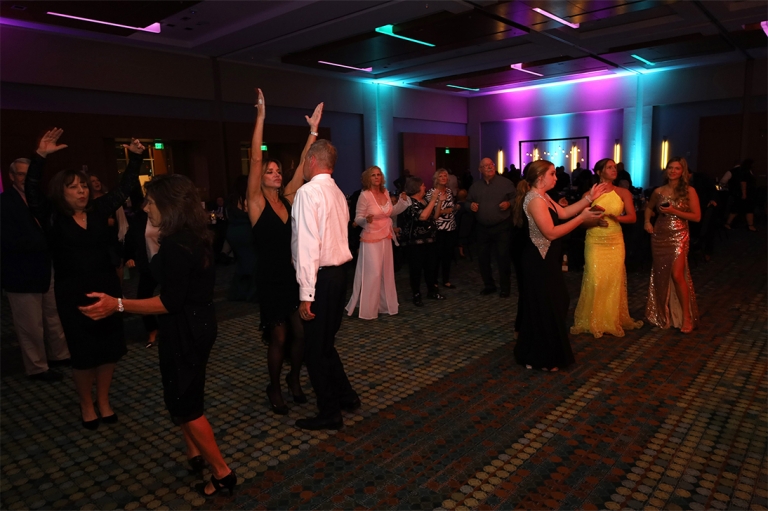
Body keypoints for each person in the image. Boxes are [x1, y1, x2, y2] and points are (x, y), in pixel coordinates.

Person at [80, 174, 237, 498]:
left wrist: (117, 304)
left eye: (150, 201)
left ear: (168, 205)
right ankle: (194, 453)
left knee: (187, 404)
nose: (144, 207)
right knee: (183, 394)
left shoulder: (179, 245)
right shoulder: (192, 235)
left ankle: (222, 473)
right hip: (196, 324)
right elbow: (160, 274)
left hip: (185, 329)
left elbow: (169, 301)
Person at [25, 128, 140, 429]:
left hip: (107, 288)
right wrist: (40, 156)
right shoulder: (52, 217)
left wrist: (135, 158)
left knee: (109, 350)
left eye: (84, 186)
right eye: (74, 187)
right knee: (84, 353)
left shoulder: (99, 210)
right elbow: (32, 191)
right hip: (73, 293)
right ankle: (86, 403)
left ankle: (103, 400)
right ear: (61, 192)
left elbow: (125, 188)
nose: (82, 191)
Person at [248, 89, 321, 414]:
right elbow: (255, 158)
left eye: (278, 171)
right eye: (270, 171)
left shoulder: (289, 198)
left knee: (300, 333)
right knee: (278, 337)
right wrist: (261, 117)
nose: (276, 174)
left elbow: (304, 167)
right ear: (261, 178)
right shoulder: (255, 203)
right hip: (269, 279)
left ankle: (293, 378)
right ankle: (274, 387)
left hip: (292, 277)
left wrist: (313, 132)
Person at [291, 138, 360, 431]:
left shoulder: (308, 192)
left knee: (315, 351)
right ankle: (346, 395)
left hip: (320, 280)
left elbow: (308, 246)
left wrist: (306, 294)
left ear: (312, 161)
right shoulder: (338, 193)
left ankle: (330, 412)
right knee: (326, 343)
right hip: (339, 276)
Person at [512, 160, 607, 371]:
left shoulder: (544, 196)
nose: (556, 178)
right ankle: (539, 357)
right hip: (537, 261)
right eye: (552, 174)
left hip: (546, 259)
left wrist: (589, 198)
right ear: (540, 178)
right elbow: (551, 233)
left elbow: (564, 213)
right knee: (547, 306)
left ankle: (533, 352)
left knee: (554, 303)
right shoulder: (535, 200)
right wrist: (581, 218)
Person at [1, 157, 71, 381]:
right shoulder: (4, 203)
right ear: (12, 177)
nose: (25, 178)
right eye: (21, 174)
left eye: (28, 174)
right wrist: (44, 242)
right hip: (20, 272)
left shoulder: (41, 199)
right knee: (30, 325)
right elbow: (6, 240)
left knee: (53, 316)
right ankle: (37, 367)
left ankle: (60, 355)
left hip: (47, 267)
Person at [570, 158, 644, 338]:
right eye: (609, 167)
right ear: (599, 172)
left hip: (615, 240)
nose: (613, 169)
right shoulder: (589, 194)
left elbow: (633, 217)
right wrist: (595, 221)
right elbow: (580, 222)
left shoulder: (623, 192)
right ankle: (593, 319)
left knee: (613, 279)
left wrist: (616, 218)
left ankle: (610, 320)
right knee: (595, 278)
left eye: (614, 167)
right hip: (595, 240)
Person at [644, 157, 701, 333]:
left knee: (677, 275)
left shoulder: (689, 191)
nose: (672, 171)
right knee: (661, 276)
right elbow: (649, 208)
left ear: (683, 172)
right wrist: (647, 221)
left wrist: (674, 211)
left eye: (677, 168)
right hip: (660, 235)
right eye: (670, 168)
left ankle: (686, 317)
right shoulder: (658, 191)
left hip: (679, 235)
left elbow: (696, 217)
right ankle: (663, 313)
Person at [345, 166, 409, 319]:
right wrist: (365, 220)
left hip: (386, 236)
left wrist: (402, 202)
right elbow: (357, 218)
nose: (376, 177)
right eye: (373, 175)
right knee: (373, 272)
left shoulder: (385, 192)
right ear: (368, 178)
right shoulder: (365, 195)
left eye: (378, 175)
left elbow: (390, 212)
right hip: (371, 237)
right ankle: (369, 309)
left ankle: (384, 305)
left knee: (386, 272)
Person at [466, 158, 516, 297]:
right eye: (485, 166)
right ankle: (489, 285)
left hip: (502, 227)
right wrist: (470, 206)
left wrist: (509, 204)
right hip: (482, 228)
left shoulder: (506, 183)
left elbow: (517, 198)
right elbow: (467, 202)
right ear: (480, 169)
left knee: (503, 257)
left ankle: (505, 287)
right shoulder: (475, 187)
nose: (489, 167)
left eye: (491, 164)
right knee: (483, 258)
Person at [123, 183, 161, 348]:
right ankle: (152, 330)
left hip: (169, 264)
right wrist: (130, 256)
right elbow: (131, 237)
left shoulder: (171, 215)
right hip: (149, 263)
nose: (147, 206)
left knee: (172, 297)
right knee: (143, 297)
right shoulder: (141, 216)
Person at [401, 176, 446, 306]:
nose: (425, 187)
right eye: (422, 185)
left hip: (430, 240)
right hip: (415, 243)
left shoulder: (425, 200)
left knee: (431, 267)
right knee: (416, 269)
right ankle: (416, 294)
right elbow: (423, 216)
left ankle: (432, 291)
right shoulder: (409, 202)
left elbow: (434, 216)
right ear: (416, 187)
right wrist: (433, 199)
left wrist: (439, 201)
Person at [426, 168, 458, 289]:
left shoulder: (449, 191)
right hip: (438, 228)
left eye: (445, 176)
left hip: (450, 226)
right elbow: (433, 213)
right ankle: (434, 280)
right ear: (436, 179)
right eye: (441, 176)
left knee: (448, 255)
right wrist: (444, 211)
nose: (444, 178)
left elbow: (452, 208)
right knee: (437, 255)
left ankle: (446, 280)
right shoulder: (431, 193)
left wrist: (451, 209)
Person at [724, 159, 756, 231]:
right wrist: (744, 193)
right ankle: (750, 225)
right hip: (745, 193)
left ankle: (728, 223)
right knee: (741, 209)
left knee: (739, 209)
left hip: (744, 193)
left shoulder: (739, 171)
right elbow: (743, 183)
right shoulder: (746, 172)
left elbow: (723, 182)